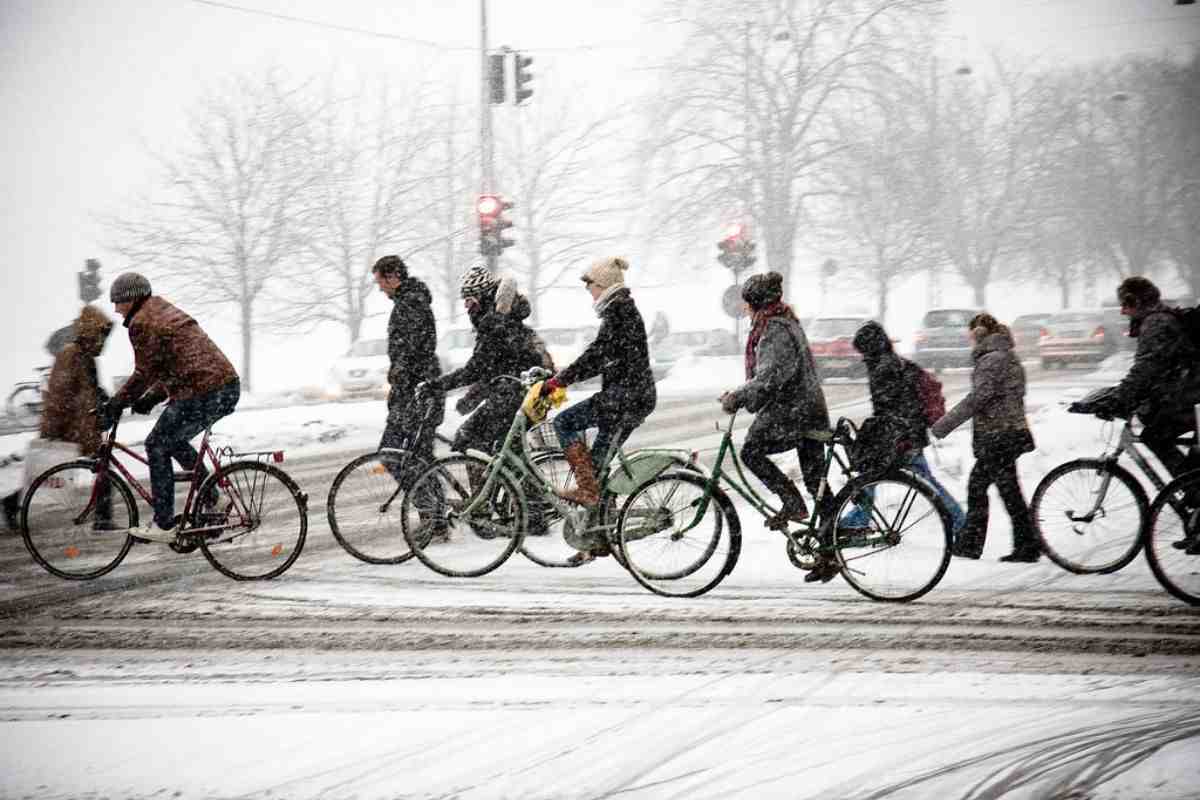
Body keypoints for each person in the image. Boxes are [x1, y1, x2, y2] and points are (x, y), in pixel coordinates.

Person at [101, 273, 241, 542]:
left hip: (206, 390)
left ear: (132, 298)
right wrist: (150, 399)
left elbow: (144, 373)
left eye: (118, 302)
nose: (116, 310)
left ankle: (164, 523)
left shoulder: (143, 322)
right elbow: (172, 366)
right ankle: (214, 497)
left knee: (156, 444)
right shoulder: (160, 312)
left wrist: (116, 404)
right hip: (220, 386)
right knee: (171, 441)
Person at [538, 257, 658, 561]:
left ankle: (588, 492)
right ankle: (599, 539)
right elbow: (603, 356)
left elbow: (597, 355)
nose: (589, 292)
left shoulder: (619, 312)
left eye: (590, 286)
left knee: (564, 422)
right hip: (628, 396)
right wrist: (563, 377)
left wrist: (560, 380)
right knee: (598, 464)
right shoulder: (620, 311)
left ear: (602, 285)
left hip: (625, 399)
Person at [720, 272, 831, 534]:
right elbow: (771, 375)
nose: (745, 309)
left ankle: (793, 503)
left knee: (751, 451)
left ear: (757, 303)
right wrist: (746, 393)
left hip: (794, 411)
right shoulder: (785, 322)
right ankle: (830, 542)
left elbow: (770, 376)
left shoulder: (775, 329)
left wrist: (738, 397)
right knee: (816, 482)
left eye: (748, 303)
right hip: (807, 409)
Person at [840, 321, 967, 535]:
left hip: (900, 437)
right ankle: (960, 521)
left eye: (862, 350)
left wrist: (872, 437)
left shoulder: (883, 369)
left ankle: (860, 518)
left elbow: (887, 411)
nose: (861, 357)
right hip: (910, 434)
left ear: (870, 347)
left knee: (869, 471)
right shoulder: (897, 363)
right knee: (926, 482)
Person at [930, 312, 1038, 562]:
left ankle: (971, 544)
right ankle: (1027, 545)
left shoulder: (991, 360)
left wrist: (943, 425)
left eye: (971, 335)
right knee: (1009, 491)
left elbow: (978, 399)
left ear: (978, 334)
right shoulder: (1008, 356)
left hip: (998, 435)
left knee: (978, 486)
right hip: (1011, 432)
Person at [3, 306, 114, 531]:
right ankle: (11, 502)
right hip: (70, 427)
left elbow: (90, 389)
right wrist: (52, 431)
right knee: (47, 471)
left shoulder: (86, 357)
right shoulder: (71, 354)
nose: (104, 341)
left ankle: (103, 518)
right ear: (91, 333)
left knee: (101, 468)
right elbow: (58, 395)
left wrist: (107, 400)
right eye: (102, 335)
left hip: (83, 425)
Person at [420, 265, 546, 457]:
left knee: (468, 439)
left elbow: (476, 369)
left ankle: (489, 488)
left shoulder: (495, 324)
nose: (465, 306)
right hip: (525, 393)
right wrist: (475, 394)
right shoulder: (501, 320)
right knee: (503, 452)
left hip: (516, 395)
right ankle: (520, 485)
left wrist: (435, 386)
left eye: (469, 300)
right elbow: (495, 367)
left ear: (482, 297)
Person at [1087, 277, 1200, 482]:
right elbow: (1155, 369)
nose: (1122, 311)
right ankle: (1191, 489)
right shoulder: (1161, 318)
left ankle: (1191, 490)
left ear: (1136, 302)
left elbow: (1146, 368)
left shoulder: (1156, 323)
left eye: (1124, 305)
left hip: (1192, 398)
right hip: (1191, 396)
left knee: (1155, 436)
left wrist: (1120, 397)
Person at [371, 255, 444, 479]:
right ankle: (434, 509)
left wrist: (399, 375)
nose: (380, 289)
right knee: (419, 458)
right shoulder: (412, 301)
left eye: (380, 282)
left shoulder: (410, 304)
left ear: (393, 277)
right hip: (419, 391)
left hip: (416, 393)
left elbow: (412, 350)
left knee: (393, 454)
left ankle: (431, 508)